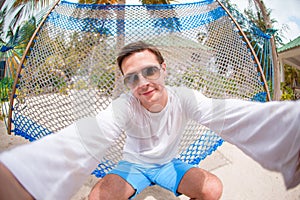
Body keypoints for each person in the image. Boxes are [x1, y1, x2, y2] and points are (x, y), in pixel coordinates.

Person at [0, 41, 299, 200]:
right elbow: (88, 136)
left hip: (170, 164)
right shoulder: (124, 106)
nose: (143, 82)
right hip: (134, 165)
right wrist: (20, 176)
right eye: (132, 78)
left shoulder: (186, 98)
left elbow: (232, 115)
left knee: (212, 189)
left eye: (150, 72)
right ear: (126, 83)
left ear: (164, 70)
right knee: (98, 198)